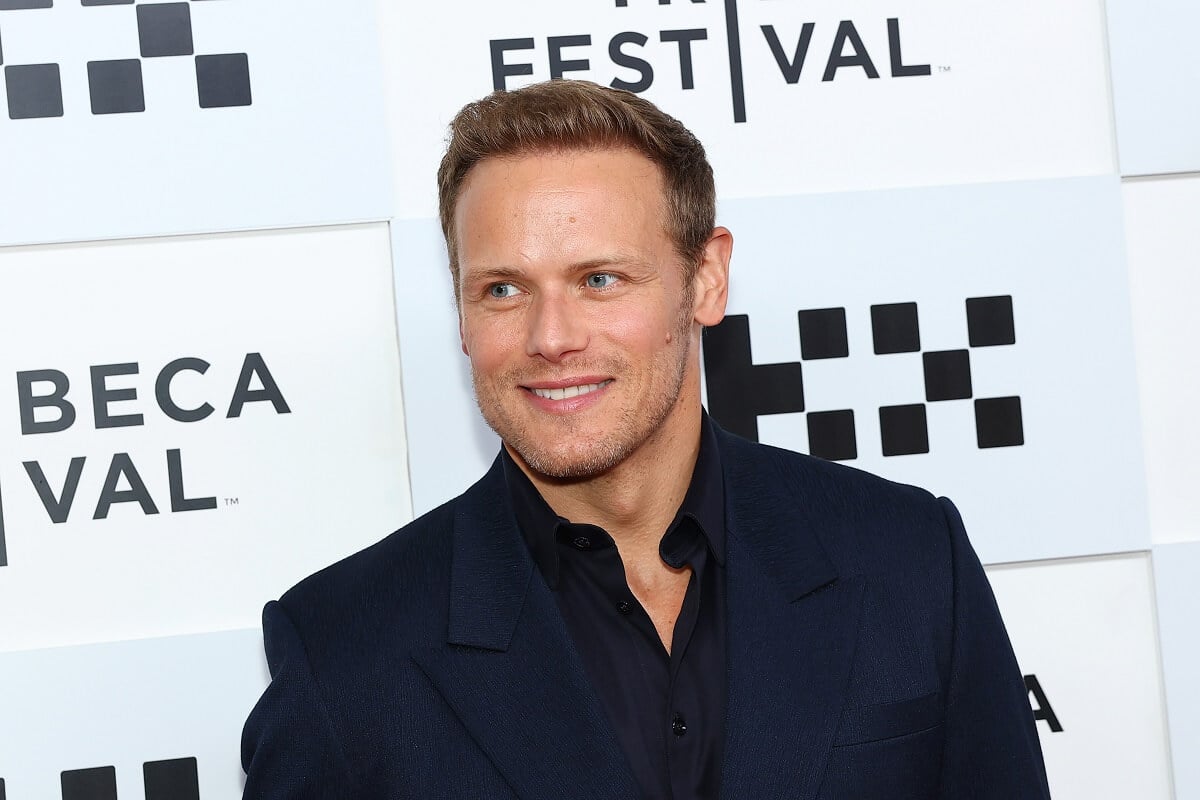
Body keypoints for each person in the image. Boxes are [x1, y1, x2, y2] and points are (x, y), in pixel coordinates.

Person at [241, 79, 1050, 799]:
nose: (550, 337)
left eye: (599, 280)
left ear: (705, 280)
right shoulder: (344, 651)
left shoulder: (906, 557)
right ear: (461, 313)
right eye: (502, 288)